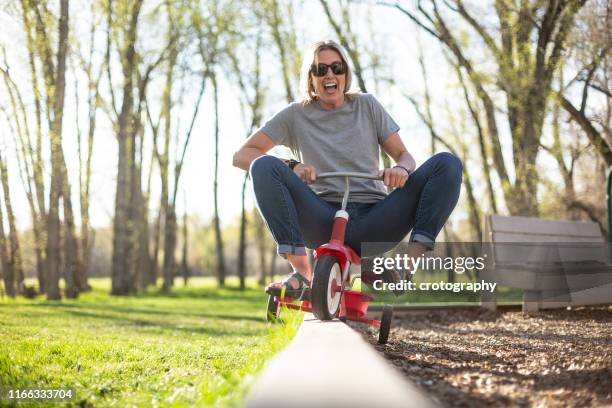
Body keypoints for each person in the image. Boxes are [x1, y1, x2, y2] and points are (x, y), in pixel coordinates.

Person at [232, 39, 462, 294]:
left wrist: (402, 170)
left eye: (336, 67)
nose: (330, 75)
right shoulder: (294, 114)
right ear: (311, 78)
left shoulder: (367, 105)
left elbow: (404, 156)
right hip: (321, 219)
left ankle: (406, 268)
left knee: (447, 163)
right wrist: (292, 166)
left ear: (345, 73)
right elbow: (241, 156)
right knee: (263, 165)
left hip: (376, 219)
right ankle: (302, 273)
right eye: (321, 70)